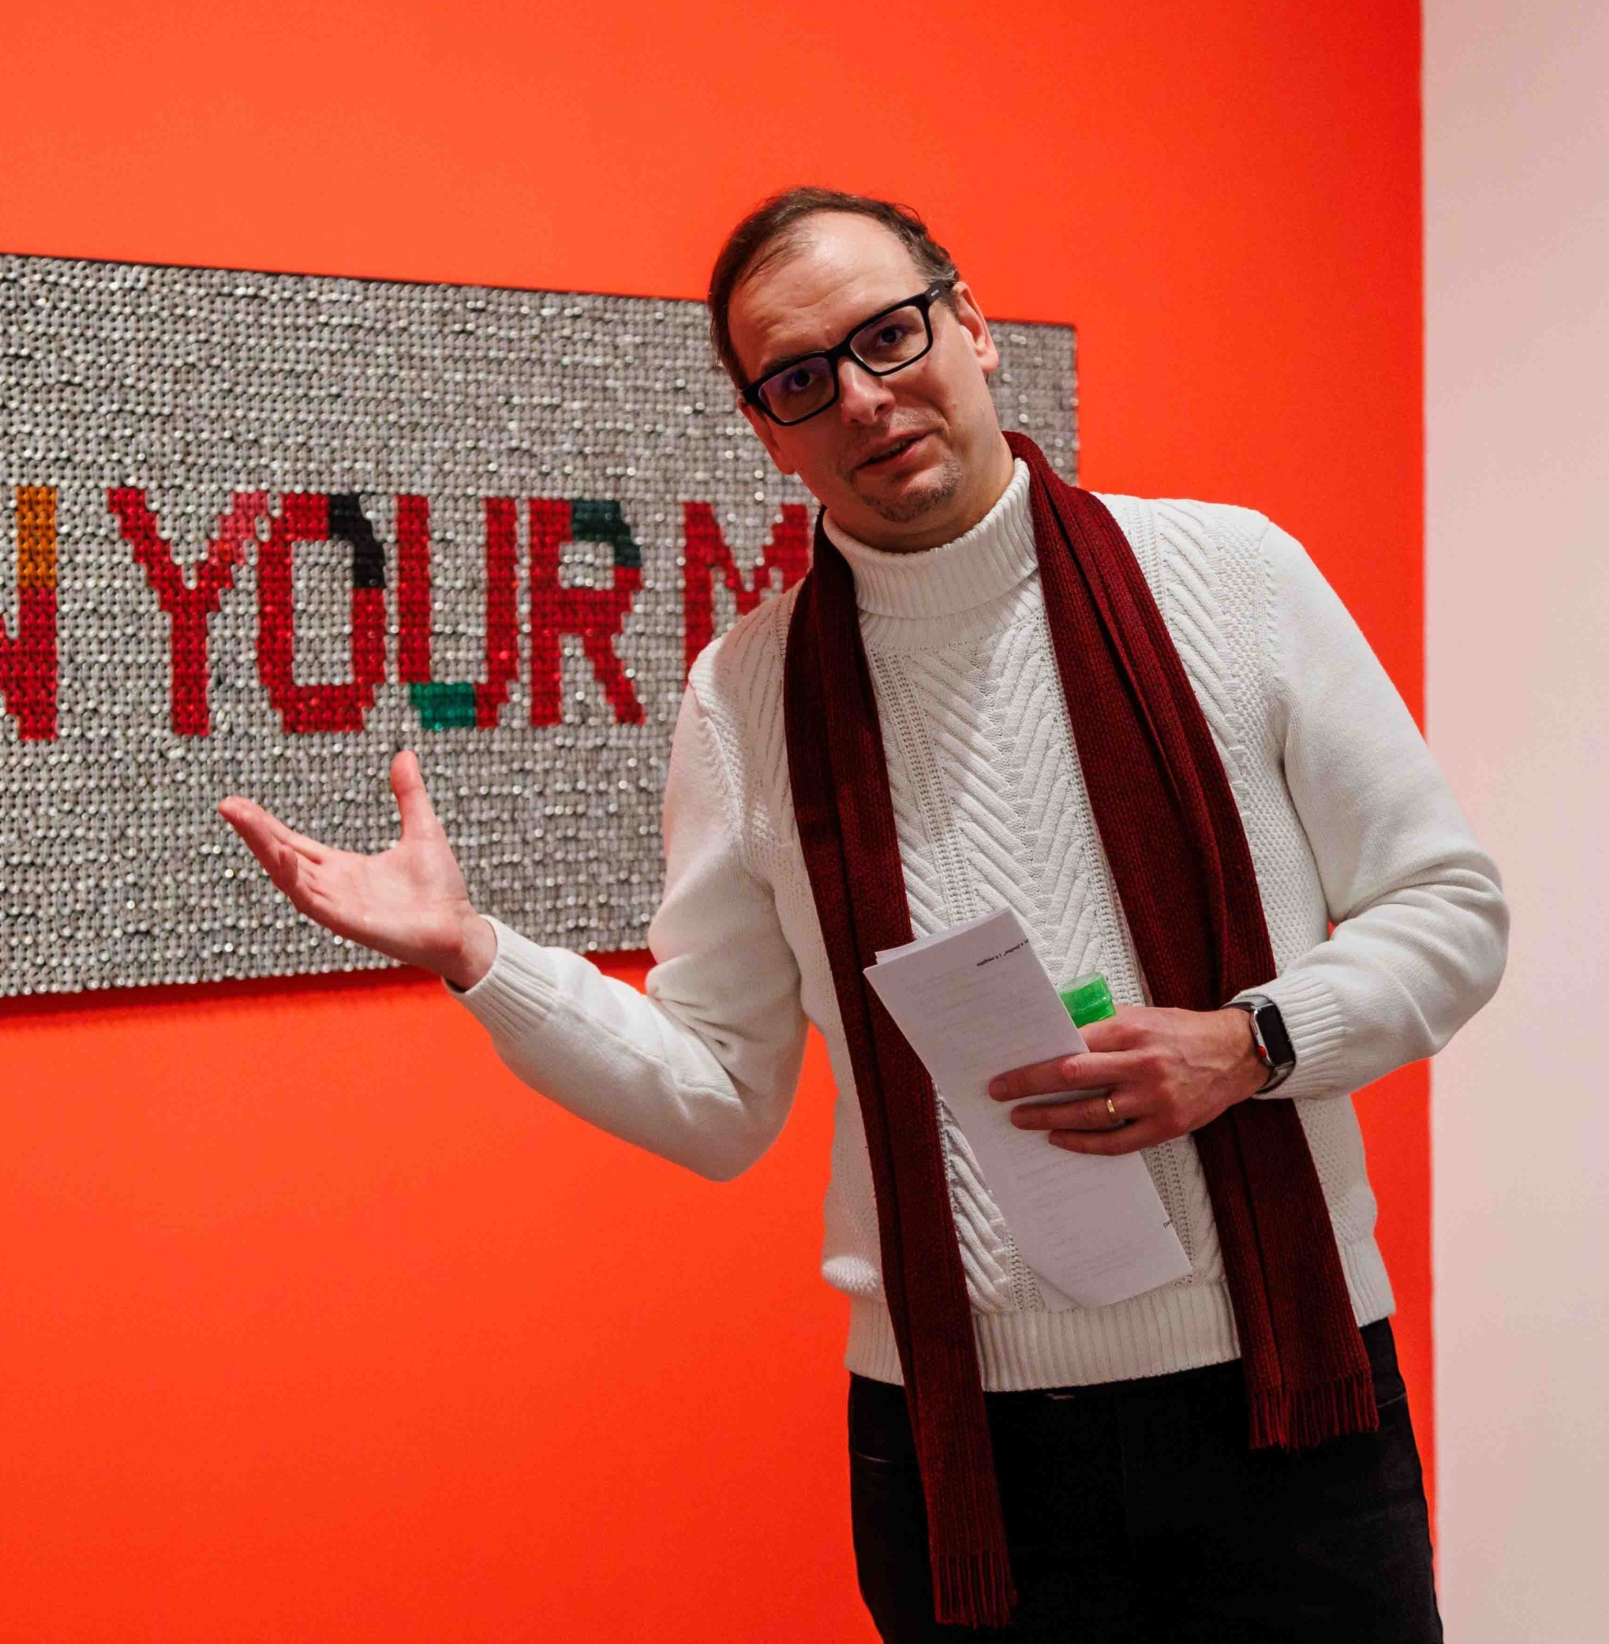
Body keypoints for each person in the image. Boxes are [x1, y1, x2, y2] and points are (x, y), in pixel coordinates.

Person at [218, 187, 1506, 1640]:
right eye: (800, 379)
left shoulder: (1232, 577)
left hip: (1289, 1396)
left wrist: (1252, 1042)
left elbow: (1449, 909)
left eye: (889, 336)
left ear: (973, 326)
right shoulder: (747, 693)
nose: (864, 398)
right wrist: (478, 957)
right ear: (767, 431)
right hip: (962, 1450)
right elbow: (717, 1093)